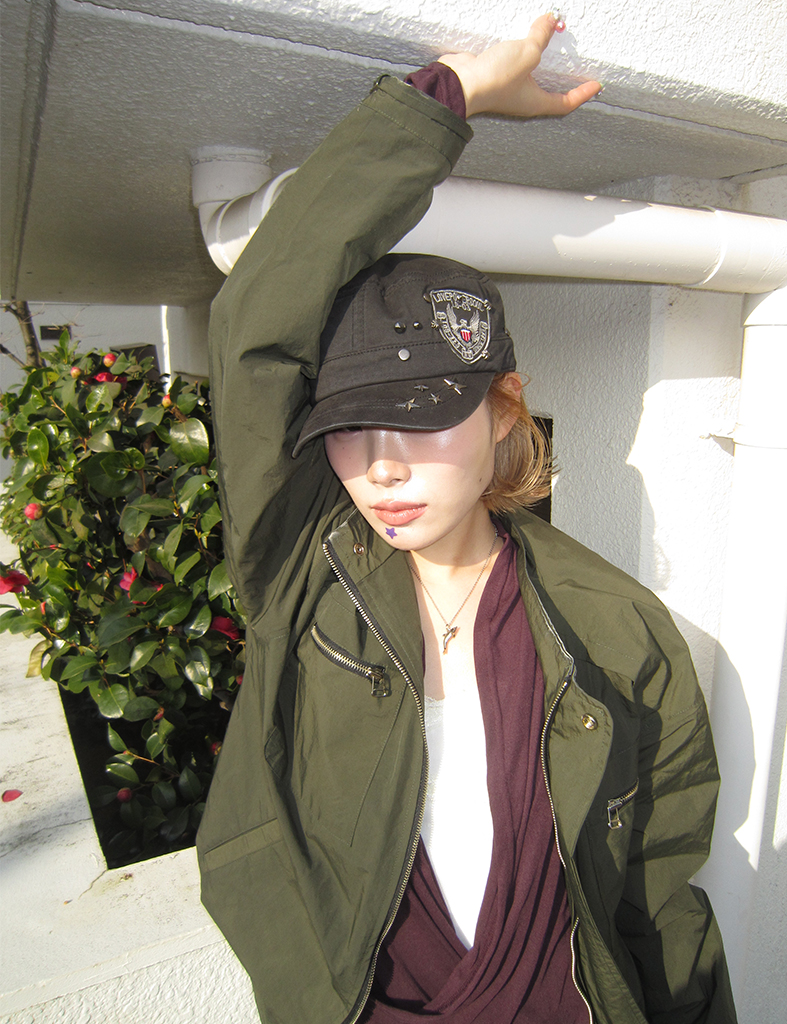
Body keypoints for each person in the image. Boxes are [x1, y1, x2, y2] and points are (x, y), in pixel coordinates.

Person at [197, 12, 737, 1024]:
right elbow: (257, 322)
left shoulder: (618, 629)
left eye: (423, 418)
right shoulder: (305, 573)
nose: (379, 466)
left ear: (504, 409)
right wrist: (447, 94)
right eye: (349, 427)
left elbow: (660, 894)